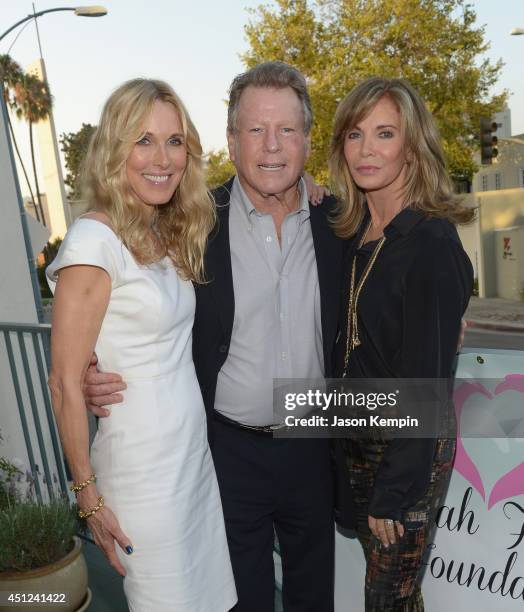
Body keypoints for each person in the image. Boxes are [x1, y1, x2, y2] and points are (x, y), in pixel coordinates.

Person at [86, 62, 343, 612]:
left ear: (307, 139)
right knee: (240, 599)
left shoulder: (339, 221)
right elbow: (136, 300)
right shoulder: (194, 222)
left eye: (287, 130)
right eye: (255, 130)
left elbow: (407, 272)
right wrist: (90, 364)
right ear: (232, 139)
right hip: (227, 452)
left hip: (314, 447)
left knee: (315, 596)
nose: (271, 146)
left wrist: (449, 311)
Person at [46, 79, 237, 612]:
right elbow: (63, 381)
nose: (162, 158)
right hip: (142, 473)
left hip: (191, 463)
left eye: (174, 141)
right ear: (114, 150)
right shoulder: (92, 242)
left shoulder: (166, 230)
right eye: (143, 140)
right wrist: (88, 498)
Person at [329, 77, 474, 610]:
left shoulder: (432, 242)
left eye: (384, 134)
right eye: (354, 134)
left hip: (406, 450)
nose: (366, 150)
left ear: (412, 145)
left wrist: (394, 492)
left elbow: (426, 390)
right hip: (355, 440)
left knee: (386, 600)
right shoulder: (353, 230)